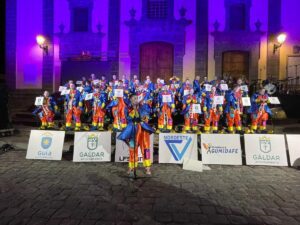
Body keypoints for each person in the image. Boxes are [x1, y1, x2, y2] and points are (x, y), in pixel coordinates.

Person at [117, 94, 155, 177]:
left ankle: (147, 167)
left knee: (146, 149)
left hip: (143, 131)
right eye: (134, 98)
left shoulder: (142, 106)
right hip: (133, 130)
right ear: (130, 100)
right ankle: (131, 167)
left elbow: (146, 115)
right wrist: (133, 114)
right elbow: (127, 118)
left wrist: (144, 117)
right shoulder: (127, 108)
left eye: (136, 98)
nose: (136, 99)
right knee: (132, 149)